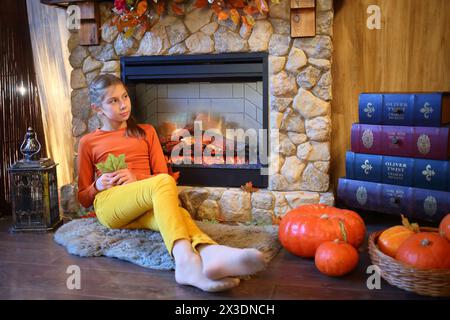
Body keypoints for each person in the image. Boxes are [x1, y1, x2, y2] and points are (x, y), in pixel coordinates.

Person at [77, 74, 266, 292]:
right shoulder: (88, 142)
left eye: (125, 97)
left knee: (179, 215)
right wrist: (98, 185)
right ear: (97, 109)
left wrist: (136, 178)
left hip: (144, 206)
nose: (123, 105)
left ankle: (209, 252)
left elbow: (159, 174)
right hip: (111, 206)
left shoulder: (146, 132)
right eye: (113, 101)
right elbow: (83, 197)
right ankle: (186, 262)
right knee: (164, 184)